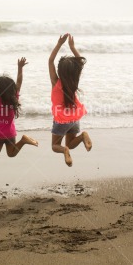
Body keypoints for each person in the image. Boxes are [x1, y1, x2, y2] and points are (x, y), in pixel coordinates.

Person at [0, 58, 38, 165]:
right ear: (12, 89)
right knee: (11, 153)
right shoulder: (14, 98)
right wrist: (20, 68)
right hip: (9, 133)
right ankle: (23, 140)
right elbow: (19, 82)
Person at [49, 33, 92, 167]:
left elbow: (50, 61)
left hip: (61, 119)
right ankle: (83, 136)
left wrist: (59, 44)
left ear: (60, 71)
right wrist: (72, 47)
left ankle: (64, 150)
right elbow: (80, 62)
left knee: (56, 145)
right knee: (71, 143)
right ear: (74, 72)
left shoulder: (56, 81)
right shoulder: (74, 82)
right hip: (74, 117)